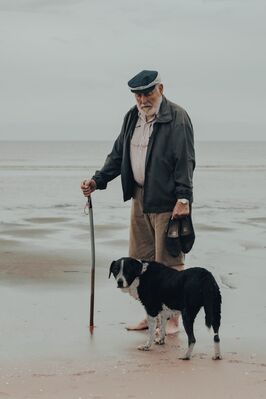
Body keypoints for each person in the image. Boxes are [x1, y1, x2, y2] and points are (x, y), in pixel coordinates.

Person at [81, 70, 195, 334]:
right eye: (138, 94)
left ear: (161, 89)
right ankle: (151, 314)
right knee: (141, 262)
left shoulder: (177, 117)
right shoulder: (131, 118)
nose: (143, 99)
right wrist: (97, 181)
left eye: (148, 92)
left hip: (168, 200)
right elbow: (118, 154)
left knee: (169, 262)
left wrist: (184, 198)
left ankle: (174, 320)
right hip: (139, 197)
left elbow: (185, 161)